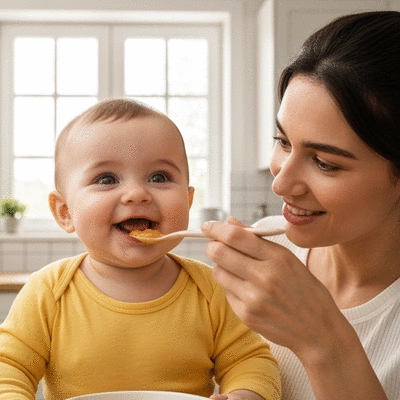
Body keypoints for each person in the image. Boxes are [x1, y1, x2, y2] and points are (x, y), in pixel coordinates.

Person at [0, 99, 281, 400]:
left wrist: (244, 394)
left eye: (159, 177)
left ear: (187, 202)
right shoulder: (48, 291)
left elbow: (250, 361)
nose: (137, 194)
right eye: (106, 179)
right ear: (65, 212)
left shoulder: (211, 290)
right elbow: (9, 367)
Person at [201, 11, 400, 400]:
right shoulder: (263, 258)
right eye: (282, 140)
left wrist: (324, 342)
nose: (280, 182)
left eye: (326, 163)